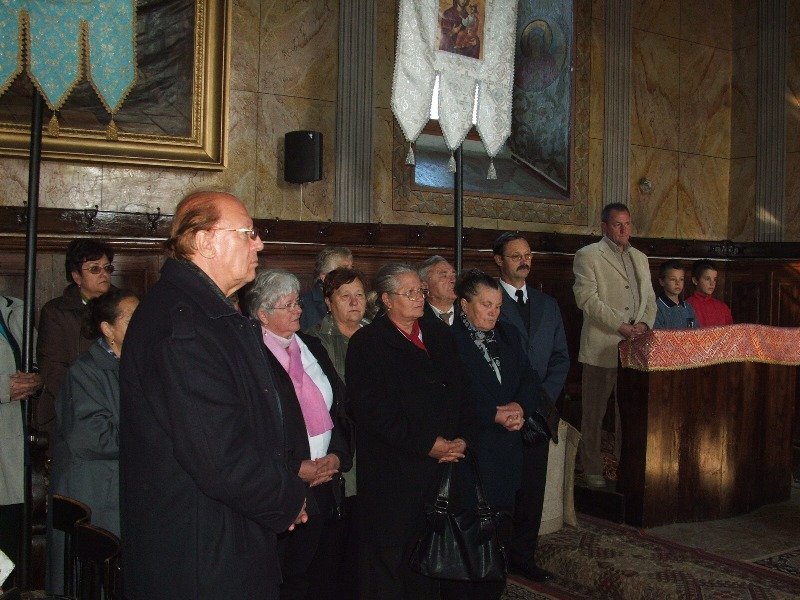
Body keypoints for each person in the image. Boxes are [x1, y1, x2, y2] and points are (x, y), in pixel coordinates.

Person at [119, 191, 307, 599]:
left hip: (220, 539)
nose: (259, 244)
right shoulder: (184, 326)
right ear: (205, 242)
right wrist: (286, 498)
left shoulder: (206, 313)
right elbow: (219, 455)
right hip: (201, 555)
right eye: (248, 233)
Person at [345, 263, 477, 600]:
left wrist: (461, 438)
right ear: (387, 299)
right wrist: (426, 444)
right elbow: (373, 412)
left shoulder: (438, 334)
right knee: (389, 563)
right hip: (394, 472)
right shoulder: (367, 343)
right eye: (410, 293)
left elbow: (462, 390)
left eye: (420, 290)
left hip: (441, 467)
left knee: (430, 561)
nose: (420, 297)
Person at [246, 268, 351, 600]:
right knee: (286, 575)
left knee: (321, 572)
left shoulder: (312, 346)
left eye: (297, 302)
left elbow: (340, 406)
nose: (298, 310)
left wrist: (337, 456)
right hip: (283, 485)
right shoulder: (251, 356)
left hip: (325, 480)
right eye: (288, 305)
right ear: (262, 315)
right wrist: (294, 468)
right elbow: (252, 428)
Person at [443, 269, 546, 600]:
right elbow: (451, 393)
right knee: (471, 539)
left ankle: (493, 589)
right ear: (464, 305)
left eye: (498, 306)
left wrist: (520, 407)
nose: (494, 313)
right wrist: (493, 414)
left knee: (500, 533)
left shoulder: (508, 334)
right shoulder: (448, 340)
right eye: (486, 305)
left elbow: (530, 378)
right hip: (472, 452)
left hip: (508, 449)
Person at [46, 289, 139, 595]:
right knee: (95, 583)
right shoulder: (85, 372)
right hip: (95, 494)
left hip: (121, 490)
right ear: (107, 329)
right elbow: (93, 438)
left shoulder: (138, 363)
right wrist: (150, 437)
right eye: (132, 319)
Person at [492, 232, 569, 582]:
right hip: (503, 411)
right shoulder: (488, 300)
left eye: (527, 255)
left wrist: (538, 400)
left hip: (537, 412)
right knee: (503, 488)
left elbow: (560, 358)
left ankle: (524, 556)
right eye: (515, 256)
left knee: (532, 489)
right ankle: (495, 556)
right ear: (499, 260)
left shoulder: (547, 304)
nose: (524, 261)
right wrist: (514, 404)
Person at [573, 203, 656, 488]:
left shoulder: (640, 257)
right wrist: (619, 325)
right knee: (594, 414)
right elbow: (587, 299)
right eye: (618, 224)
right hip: (602, 345)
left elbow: (650, 299)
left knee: (628, 414)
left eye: (627, 224)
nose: (624, 230)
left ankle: (625, 469)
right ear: (604, 226)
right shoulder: (588, 255)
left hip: (636, 348)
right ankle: (592, 470)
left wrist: (643, 324)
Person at [303, 266, 367, 599]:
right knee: (334, 555)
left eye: (359, 294)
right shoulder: (314, 342)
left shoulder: (377, 334)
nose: (355, 302)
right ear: (328, 302)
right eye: (345, 296)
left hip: (380, 457)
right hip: (341, 459)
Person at [37, 238, 115, 453]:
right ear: (76, 276)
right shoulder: (56, 312)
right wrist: (90, 402)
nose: (104, 274)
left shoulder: (123, 306)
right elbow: (53, 370)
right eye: (95, 269)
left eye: (108, 268)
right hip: (75, 409)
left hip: (117, 404)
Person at [0, 295, 43, 590]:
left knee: (9, 553)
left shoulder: (14, 310)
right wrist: (4, 387)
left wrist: (36, 380)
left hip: (11, 450)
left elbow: (36, 363)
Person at [300, 246, 354, 330]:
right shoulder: (304, 304)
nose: (352, 275)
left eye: (352, 268)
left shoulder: (355, 300)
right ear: (324, 276)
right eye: (344, 270)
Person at [685, 259, 733, 327]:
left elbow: (730, 331)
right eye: (707, 279)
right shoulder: (686, 307)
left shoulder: (723, 308)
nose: (712, 283)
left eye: (715, 279)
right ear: (695, 280)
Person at [654, 260, 698, 329]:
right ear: (662, 281)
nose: (678, 283)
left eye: (681, 279)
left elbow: (696, 331)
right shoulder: (657, 308)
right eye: (673, 279)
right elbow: (657, 333)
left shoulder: (688, 307)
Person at [418, 255, 457, 326]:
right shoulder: (417, 319)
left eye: (454, 276)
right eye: (444, 276)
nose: (453, 280)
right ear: (424, 285)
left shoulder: (468, 315)